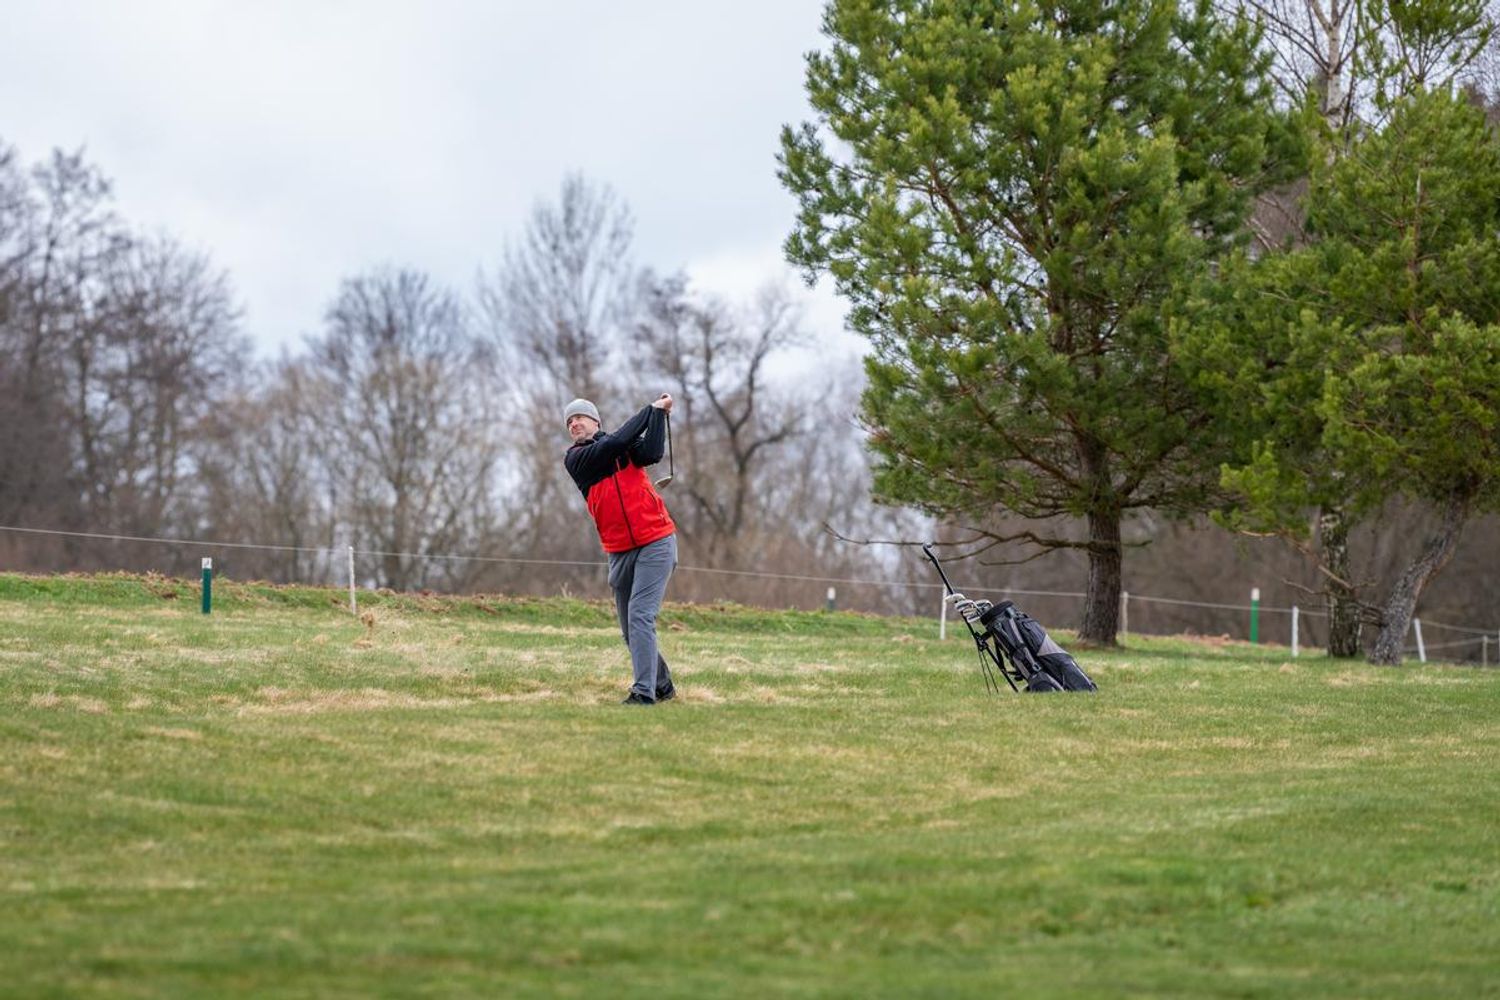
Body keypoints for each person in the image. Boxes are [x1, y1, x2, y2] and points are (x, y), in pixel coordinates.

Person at [563, 394, 678, 705]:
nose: (574, 424)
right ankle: (662, 684)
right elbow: (613, 444)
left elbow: (652, 452)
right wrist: (651, 410)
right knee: (630, 628)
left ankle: (643, 693)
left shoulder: (623, 446)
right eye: (569, 421)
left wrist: (659, 417)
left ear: (595, 420)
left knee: (640, 617)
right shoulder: (577, 459)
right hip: (619, 550)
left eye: (579, 417)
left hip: (656, 540)